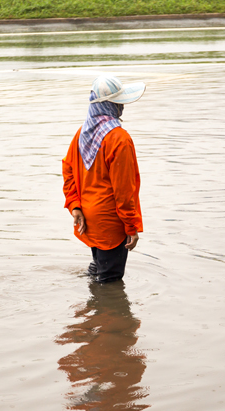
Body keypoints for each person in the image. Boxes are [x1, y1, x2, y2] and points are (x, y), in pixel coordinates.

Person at [62, 75, 145, 283]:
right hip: (111, 224)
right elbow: (124, 192)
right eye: (120, 102)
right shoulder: (119, 139)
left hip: (90, 219)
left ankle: (94, 311)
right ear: (112, 105)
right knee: (111, 283)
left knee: (99, 273)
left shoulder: (83, 133)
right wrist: (131, 227)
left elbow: (68, 170)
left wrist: (75, 206)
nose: (123, 107)